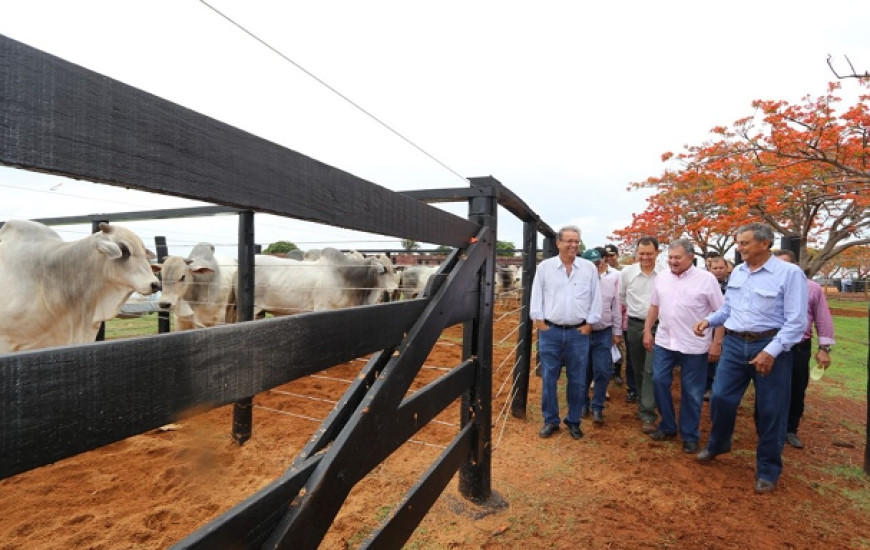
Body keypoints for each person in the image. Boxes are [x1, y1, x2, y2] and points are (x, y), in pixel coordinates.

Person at [693, 223, 807, 494]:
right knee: (720, 398)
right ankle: (719, 443)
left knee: (770, 410)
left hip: (770, 345)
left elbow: (797, 322)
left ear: (765, 243)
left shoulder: (789, 274)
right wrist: (708, 321)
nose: (739, 248)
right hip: (734, 343)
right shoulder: (740, 273)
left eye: (744, 243)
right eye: (738, 243)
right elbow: (730, 308)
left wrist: (771, 352)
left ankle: (768, 469)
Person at [643, 239, 724, 452]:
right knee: (659, 381)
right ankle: (668, 425)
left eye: (677, 257)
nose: (673, 261)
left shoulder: (707, 279)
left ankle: (689, 434)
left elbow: (721, 313)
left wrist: (716, 343)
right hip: (665, 341)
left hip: (694, 345)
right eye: (670, 257)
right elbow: (654, 306)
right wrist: (646, 331)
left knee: (692, 392)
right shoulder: (661, 277)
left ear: (690, 257)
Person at [530, 226, 602, 440]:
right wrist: (540, 322)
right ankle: (550, 420)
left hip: (578, 334)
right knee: (549, 378)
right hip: (550, 332)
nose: (573, 245)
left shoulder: (588, 268)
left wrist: (590, 325)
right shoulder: (545, 267)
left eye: (576, 241)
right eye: (569, 241)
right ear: (558, 243)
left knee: (578, 380)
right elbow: (536, 295)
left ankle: (573, 420)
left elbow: (596, 298)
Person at [772, 249, 835, 449]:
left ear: (796, 267)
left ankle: (791, 429)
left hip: (799, 347)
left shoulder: (812, 288)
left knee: (797, 389)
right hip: (771, 345)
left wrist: (824, 348)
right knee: (770, 389)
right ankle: (770, 429)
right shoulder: (767, 286)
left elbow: (822, 318)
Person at [619, 236, 663, 434]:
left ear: (657, 253)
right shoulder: (627, 273)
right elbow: (622, 297)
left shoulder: (665, 273)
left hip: (659, 326)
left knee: (651, 369)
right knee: (637, 367)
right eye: (642, 253)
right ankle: (644, 400)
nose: (645, 257)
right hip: (635, 325)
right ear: (636, 253)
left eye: (649, 254)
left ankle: (647, 413)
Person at [582, 246, 623, 425]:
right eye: (590, 264)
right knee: (582, 371)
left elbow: (616, 307)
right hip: (582, 333)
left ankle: (597, 406)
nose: (595, 266)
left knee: (602, 370)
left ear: (603, 261)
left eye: (598, 262)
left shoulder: (612, 280)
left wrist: (617, 331)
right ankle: (583, 403)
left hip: (603, 332)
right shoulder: (578, 282)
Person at [705, 255, 730, 399]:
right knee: (709, 356)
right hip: (709, 324)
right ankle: (708, 386)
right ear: (710, 269)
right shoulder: (705, 283)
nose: (718, 271)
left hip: (730, 328)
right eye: (715, 268)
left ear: (727, 268)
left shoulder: (732, 284)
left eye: (721, 268)